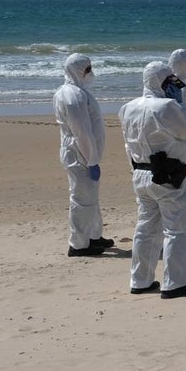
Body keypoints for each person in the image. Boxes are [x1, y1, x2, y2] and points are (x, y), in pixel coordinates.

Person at [119, 61, 186, 299]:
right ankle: (175, 283)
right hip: (169, 175)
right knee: (177, 229)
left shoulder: (127, 107)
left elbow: (127, 143)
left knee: (146, 229)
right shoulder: (167, 107)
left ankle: (140, 280)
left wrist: (133, 169)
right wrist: (182, 104)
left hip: (141, 173)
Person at [53, 53, 113, 257]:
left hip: (85, 153)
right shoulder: (72, 96)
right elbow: (81, 132)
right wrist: (92, 160)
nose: (91, 73)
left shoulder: (78, 91)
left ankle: (94, 236)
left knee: (91, 197)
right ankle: (78, 244)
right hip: (79, 154)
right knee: (81, 199)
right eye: (87, 69)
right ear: (77, 70)